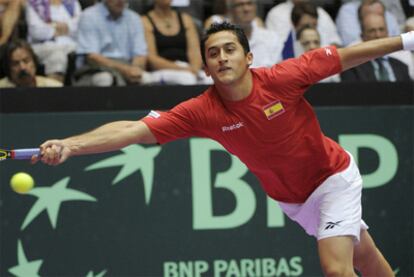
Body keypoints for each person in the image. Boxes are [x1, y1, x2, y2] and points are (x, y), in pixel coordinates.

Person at [35, 21, 413, 276]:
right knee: (363, 254)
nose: (222, 57)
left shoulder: (284, 78)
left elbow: (350, 55)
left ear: (248, 57)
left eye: (230, 49)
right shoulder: (202, 111)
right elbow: (134, 130)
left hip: (332, 177)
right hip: (294, 202)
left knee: (335, 267)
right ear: (206, 68)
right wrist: (72, 144)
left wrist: (407, 42)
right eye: (213, 53)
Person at [74, 0, 149, 86]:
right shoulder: (89, 16)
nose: (120, 1)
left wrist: (135, 70)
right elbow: (92, 57)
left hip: (128, 67)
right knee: (105, 78)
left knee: (151, 79)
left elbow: (140, 54)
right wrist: (124, 70)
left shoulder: (134, 18)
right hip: (95, 70)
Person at [141, 0, 203, 85]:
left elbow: (195, 51)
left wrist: (195, 69)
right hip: (162, 70)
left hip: (187, 67)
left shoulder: (185, 19)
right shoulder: (145, 21)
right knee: (187, 79)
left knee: (210, 79)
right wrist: (183, 69)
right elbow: (152, 59)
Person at [206, 0, 282, 68]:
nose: (246, 9)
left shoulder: (271, 38)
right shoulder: (219, 36)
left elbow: (276, 71)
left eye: (250, 3)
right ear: (230, 10)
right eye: (240, 5)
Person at [341, 13, 411, 82]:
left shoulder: (402, 67)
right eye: (372, 31)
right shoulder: (352, 68)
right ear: (362, 36)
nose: (378, 35)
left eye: (381, 29)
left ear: (387, 33)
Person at [26, 0, 82, 83]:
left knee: (84, 51)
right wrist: (66, 27)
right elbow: (36, 32)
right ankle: (53, 94)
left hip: (71, 46)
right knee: (57, 55)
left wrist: (52, 25)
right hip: (43, 47)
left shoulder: (73, 3)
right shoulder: (33, 3)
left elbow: (80, 26)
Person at [265, 0, 341, 59]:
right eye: (305, 26)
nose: (309, 29)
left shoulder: (322, 15)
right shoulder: (288, 46)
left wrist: (327, 58)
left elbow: (335, 47)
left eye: (314, 25)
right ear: (294, 26)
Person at [336, 0, 400, 47]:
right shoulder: (347, 10)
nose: (378, 35)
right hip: (363, 55)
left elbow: (398, 41)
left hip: (391, 54)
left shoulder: (389, 16)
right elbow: (351, 45)